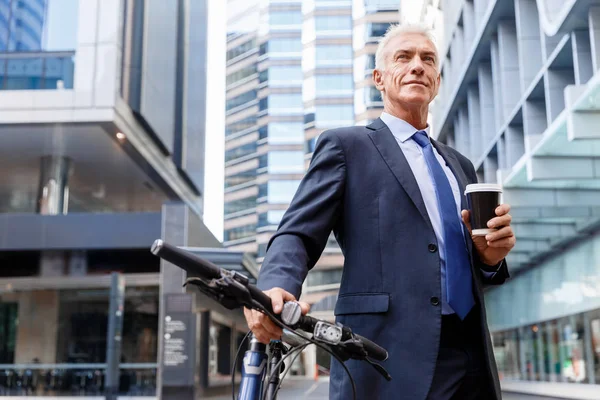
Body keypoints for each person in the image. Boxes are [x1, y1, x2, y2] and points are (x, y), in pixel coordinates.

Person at [244, 23, 516, 400]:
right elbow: (298, 233)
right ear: (380, 78)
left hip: (470, 358)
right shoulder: (346, 147)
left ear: (436, 80)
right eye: (403, 57)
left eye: (428, 59)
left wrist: (489, 259)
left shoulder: (460, 166)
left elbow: (461, 263)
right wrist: (274, 287)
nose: (418, 66)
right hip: (384, 358)